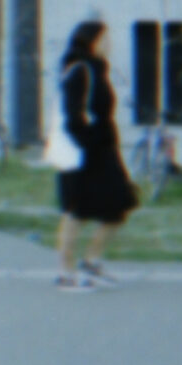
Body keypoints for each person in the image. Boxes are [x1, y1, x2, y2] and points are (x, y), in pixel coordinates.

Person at [54, 19, 139, 292]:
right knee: (77, 211)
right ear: (91, 40)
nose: (110, 45)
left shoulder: (98, 69)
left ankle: (91, 262)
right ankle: (66, 273)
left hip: (104, 149)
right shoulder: (80, 70)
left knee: (119, 205)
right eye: (105, 39)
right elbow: (72, 115)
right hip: (85, 152)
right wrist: (88, 143)